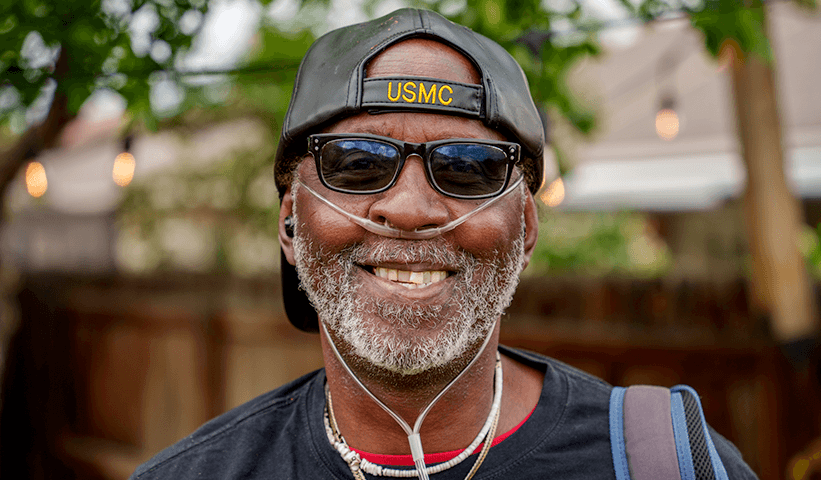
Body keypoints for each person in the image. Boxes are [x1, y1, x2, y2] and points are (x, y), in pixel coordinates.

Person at [131, 8, 758, 480]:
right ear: (291, 223)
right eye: (355, 164)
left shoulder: (664, 460)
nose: (408, 210)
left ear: (527, 230)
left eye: (468, 168)